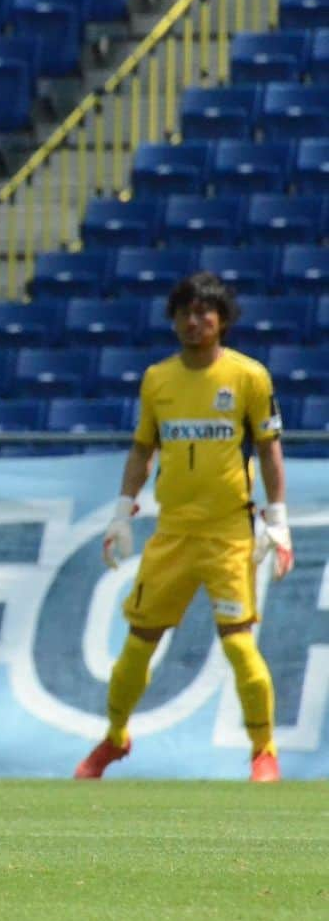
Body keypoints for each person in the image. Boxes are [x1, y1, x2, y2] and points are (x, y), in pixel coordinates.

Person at [75, 271, 294, 783]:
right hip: (172, 533)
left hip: (228, 534)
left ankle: (264, 751)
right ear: (173, 319)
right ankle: (115, 737)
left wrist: (278, 519)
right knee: (137, 644)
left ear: (222, 319)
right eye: (185, 312)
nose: (194, 321)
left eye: (204, 312)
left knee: (240, 644)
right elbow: (143, 449)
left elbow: (268, 449)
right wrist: (122, 511)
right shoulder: (158, 379)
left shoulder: (249, 377)